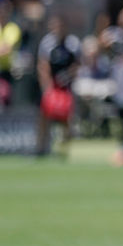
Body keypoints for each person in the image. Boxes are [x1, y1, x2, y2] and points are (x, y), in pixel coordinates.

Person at [36, 15, 79, 156]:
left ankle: (63, 149)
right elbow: (43, 66)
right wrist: (47, 89)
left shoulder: (72, 43)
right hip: (52, 86)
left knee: (66, 117)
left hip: (67, 87)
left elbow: (78, 64)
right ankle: (41, 147)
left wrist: (68, 75)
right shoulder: (47, 43)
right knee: (44, 115)